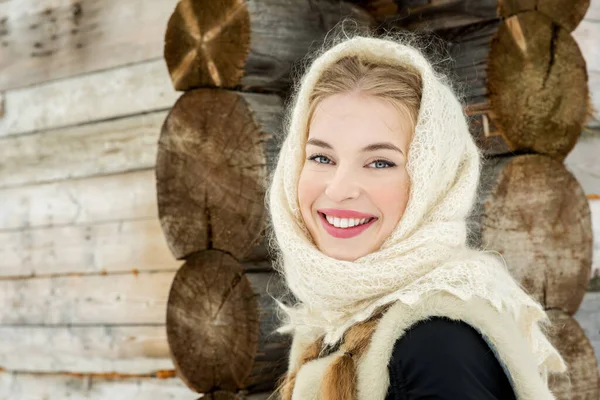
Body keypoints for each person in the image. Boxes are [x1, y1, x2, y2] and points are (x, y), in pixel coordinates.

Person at [264, 21, 568, 400]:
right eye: (322, 157)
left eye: (380, 163)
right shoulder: (334, 319)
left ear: (432, 183)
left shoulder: (435, 344)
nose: (339, 189)